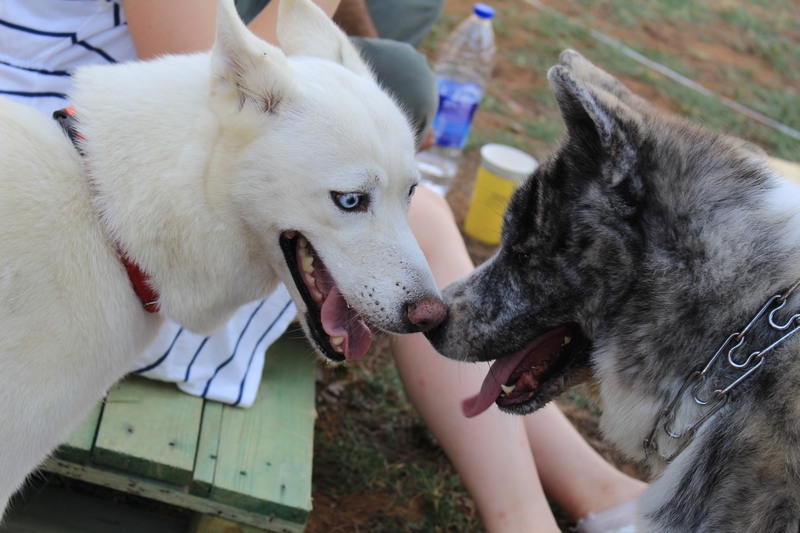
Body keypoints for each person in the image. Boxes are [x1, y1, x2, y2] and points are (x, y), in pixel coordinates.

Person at [0, 1, 645, 530]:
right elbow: (214, 78)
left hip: (117, 190)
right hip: (130, 207)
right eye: (351, 201)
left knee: (404, 78)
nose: (423, 299)